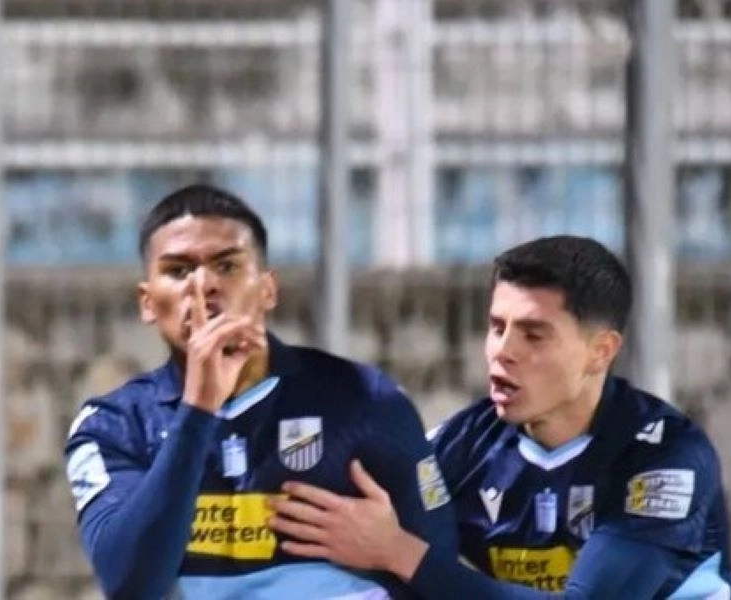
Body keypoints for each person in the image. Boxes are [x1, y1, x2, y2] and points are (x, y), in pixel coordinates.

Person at [268, 235, 731, 599]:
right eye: (498, 328)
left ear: (601, 351)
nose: (503, 352)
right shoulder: (463, 444)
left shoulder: (664, 459)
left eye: (533, 336)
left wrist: (399, 552)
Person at [63, 183, 457, 600]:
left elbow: (441, 572)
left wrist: (394, 550)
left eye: (227, 266)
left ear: (268, 289)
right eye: (178, 271)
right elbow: (131, 586)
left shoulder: (367, 400)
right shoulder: (115, 425)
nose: (203, 286)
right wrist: (198, 411)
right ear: (147, 302)